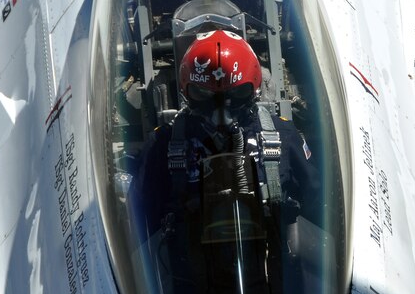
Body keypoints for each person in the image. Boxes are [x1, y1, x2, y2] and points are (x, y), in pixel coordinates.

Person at [132, 29, 318, 239]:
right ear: (187, 92)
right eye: (204, 95)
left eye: (236, 93)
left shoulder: (282, 134)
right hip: (187, 267)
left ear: (254, 89)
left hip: (271, 262)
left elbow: (317, 202)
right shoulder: (162, 145)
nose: (220, 109)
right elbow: (138, 220)